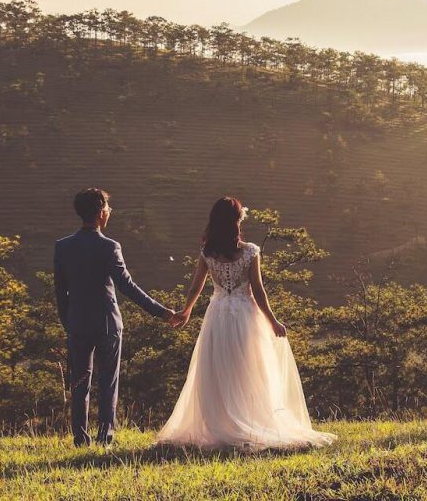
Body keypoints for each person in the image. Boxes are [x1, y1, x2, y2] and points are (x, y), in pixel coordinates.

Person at [156, 196, 336, 450]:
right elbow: (258, 291)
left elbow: (196, 285)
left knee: (219, 368)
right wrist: (272, 321)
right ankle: (249, 419)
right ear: (237, 221)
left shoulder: (208, 253)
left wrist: (186, 311)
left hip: (217, 314)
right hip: (245, 314)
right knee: (249, 367)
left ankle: (222, 422)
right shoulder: (250, 251)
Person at [53, 187, 177, 447]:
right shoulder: (110, 246)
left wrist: (69, 323)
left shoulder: (63, 247)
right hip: (108, 323)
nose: (109, 212)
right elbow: (127, 286)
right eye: (108, 208)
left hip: (77, 323)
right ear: (100, 213)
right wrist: (161, 312)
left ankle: (80, 439)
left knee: (79, 382)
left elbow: (60, 292)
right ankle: (105, 438)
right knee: (108, 382)